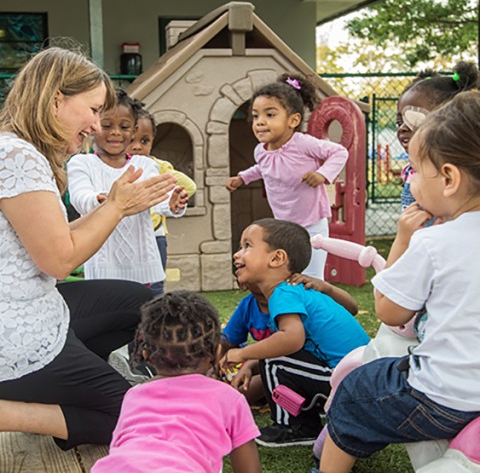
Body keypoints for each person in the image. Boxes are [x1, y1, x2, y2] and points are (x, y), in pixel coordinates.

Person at [0, 47, 177, 449]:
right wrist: (117, 207)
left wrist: (119, 204)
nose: (97, 126)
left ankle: (66, 390)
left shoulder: (14, 148)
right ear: (57, 98)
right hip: (13, 333)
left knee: (138, 302)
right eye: (93, 110)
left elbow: (53, 238)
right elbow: (60, 260)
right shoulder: (16, 156)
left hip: (35, 305)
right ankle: (13, 409)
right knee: (127, 421)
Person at [319, 91, 480, 473]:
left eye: (413, 169)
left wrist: (404, 239)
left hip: (443, 398)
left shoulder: (433, 242)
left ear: (448, 178)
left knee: (357, 392)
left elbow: (390, 311)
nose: (410, 179)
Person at [220, 218, 369, 448]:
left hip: (350, 381)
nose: (237, 254)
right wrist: (250, 363)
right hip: (363, 378)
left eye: (247, 246)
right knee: (278, 357)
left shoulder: (283, 293)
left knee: (274, 360)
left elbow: (291, 339)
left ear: (277, 258)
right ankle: (313, 412)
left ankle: (293, 426)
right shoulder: (294, 292)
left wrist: (242, 355)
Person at [91, 290, 262, 473]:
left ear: (146, 356)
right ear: (215, 353)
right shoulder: (230, 398)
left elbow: (120, 446)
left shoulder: (134, 395)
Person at [225, 72, 349, 280]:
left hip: (311, 222)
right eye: (256, 116)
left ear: (293, 120)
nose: (260, 122)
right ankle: (291, 309)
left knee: (312, 276)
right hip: (284, 225)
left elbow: (339, 152)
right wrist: (242, 178)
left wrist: (322, 174)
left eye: (270, 115)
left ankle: (315, 309)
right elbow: (262, 168)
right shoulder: (261, 151)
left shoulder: (303, 143)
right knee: (287, 273)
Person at [67, 89, 188, 288]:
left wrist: (172, 203)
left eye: (124, 127)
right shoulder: (81, 163)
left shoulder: (145, 165)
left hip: (142, 265)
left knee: (144, 315)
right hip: (102, 265)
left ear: (133, 131)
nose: (116, 132)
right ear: (93, 125)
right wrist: (100, 199)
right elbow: (80, 196)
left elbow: (155, 199)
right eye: (107, 125)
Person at [221, 275, 358, 405]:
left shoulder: (293, 293)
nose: (238, 256)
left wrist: (326, 288)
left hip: (322, 370)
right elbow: (226, 341)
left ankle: (289, 424)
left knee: (270, 366)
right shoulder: (248, 306)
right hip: (293, 365)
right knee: (262, 370)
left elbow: (352, 308)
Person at [126, 105, 197, 296]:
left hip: (155, 236)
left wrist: (161, 201)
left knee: (155, 285)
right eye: (131, 140)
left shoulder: (157, 167)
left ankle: (153, 322)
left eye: (145, 141)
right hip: (126, 237)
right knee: (127, 284)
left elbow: (189, 186)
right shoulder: (114, 168)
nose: (137, 146)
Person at [397, 61, 478, 211]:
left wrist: (405, 235)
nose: (402, 129)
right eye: (399, 122)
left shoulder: (463, 172)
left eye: (415, 121)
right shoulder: (411, 169)